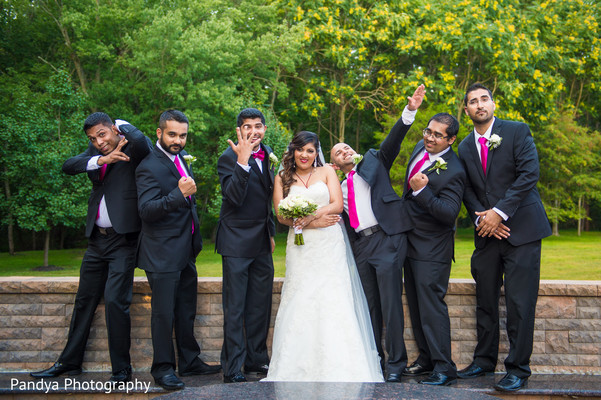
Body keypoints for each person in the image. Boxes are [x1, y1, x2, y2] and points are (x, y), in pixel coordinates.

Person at [31, 112, 152, 382]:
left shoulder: (133, 147)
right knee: (84, 300)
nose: (98, 141)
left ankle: (121, 368)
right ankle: (69, 362)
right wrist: (102, 159)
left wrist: (121, 123)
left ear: (113, 129)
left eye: (102, 134)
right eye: (92, 138)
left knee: (115, 302)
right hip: (97, 241)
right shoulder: (97, 152)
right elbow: (68, 165)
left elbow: (144, 142)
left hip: (124, 240)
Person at [265, 131, 383, 382]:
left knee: (332, 297)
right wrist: (311, 224)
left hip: (329, 245)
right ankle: (295, 365)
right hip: (301, 246)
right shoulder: (282, 177)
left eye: (310, 150)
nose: (305, 155)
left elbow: (337, 205)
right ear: (293, 151)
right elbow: (281, 215)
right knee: (301, 297)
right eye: (300, 150)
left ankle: (340, 363)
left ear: (316, 152)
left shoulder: (328, 172)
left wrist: (310, 216)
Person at [457, 83, 551, 392]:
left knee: (519, 302)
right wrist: (485, 218)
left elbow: (529, 174)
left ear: (493, 104)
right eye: (473, 101)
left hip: (521, 229)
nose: (479, 104)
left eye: (484, 99)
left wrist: (500, 212)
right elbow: (468, 189)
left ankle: (518, 368)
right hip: (487, 232)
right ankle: (484, 360)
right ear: (467, 110)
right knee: (485, 299)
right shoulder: (464, 147)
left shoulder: (516, 131)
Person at [330, 84, 425, 382]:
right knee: (369, 307)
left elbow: (393, 141)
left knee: (390, 304)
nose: (345, 149)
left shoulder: (373, 160)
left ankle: (396, 365)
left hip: (387, 240)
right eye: (338, 151)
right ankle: (375, 363)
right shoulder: (336, 187)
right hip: (361, 248)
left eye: (346, 146)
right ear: (333, 164)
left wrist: (410, 111)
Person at [135, 110, 220, 391]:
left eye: (182, 135)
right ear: (159, 133)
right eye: (172, 134)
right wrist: (177, 194)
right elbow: (147, 211)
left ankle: (190, 360)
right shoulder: (148, 165)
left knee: (186, 311)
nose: (178, 140)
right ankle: (162, 369)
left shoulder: (181, 159)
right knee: (163, 313)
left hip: (185, 251)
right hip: (161, 254)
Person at [400, 113, 465, 386]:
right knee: (415, 306)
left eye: (438, 135)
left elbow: (449, 213)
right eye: (429, 131)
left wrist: (422, 192)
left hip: (432, 250)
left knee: (431, 308)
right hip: (410, 243)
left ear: (450, 140)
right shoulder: (419, 148)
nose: (430, 137)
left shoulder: (455, 170)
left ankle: (444, 367)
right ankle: (426, 358)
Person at [216, 108, 276, 383]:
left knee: (259, 306)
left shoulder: (269, 155)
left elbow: (267, 199)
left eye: (258, 126)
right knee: (236, 307)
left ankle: (256, 360)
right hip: (236, 242)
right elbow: (233, 198)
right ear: (239, 130)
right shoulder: (227, 159)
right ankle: (232, 368)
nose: (253, 131)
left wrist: (271, 233)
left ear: (264, 128)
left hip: (262, 241)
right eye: (247, 127)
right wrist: (242, 162)